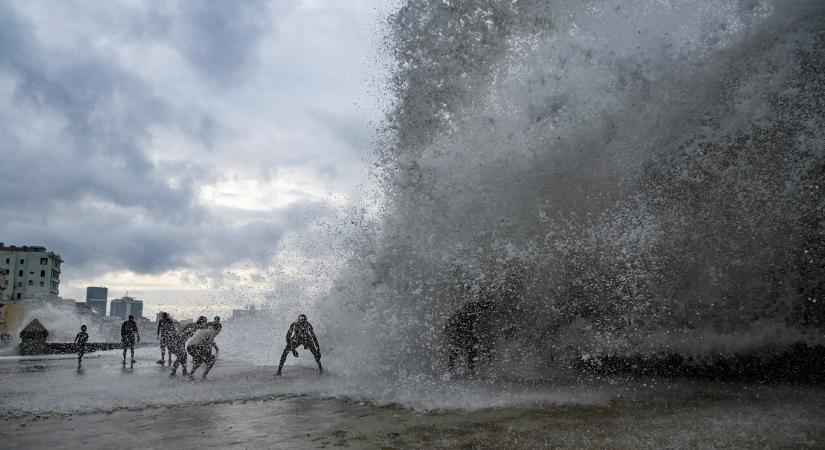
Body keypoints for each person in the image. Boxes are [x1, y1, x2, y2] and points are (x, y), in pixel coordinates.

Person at [444, 301, 494, 375]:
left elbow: (449, 323)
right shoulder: (470, 314)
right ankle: (468, 369)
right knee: (469, 350)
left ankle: (451, 369)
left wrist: (449, 332)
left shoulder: (462, 313)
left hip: (461, 335)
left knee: (458, 350)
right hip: (463, 334)